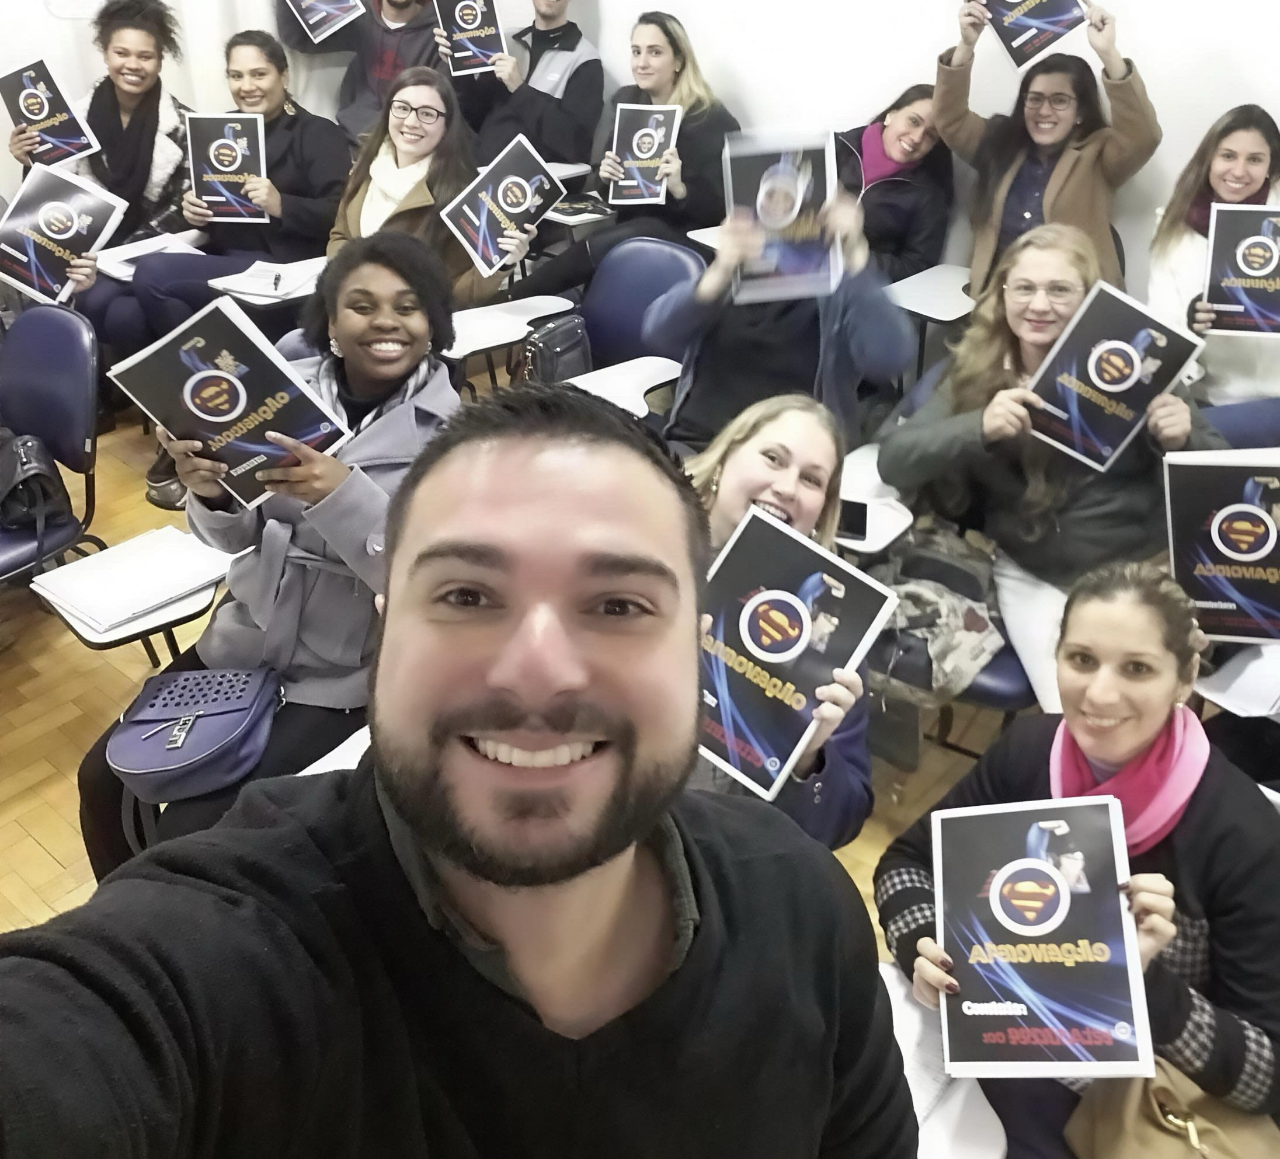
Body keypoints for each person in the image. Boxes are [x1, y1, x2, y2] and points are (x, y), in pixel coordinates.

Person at [11, 383, 918, 1157]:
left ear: (697, 651)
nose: (538, 669)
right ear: (386, 620)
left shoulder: (809, 918)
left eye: (617, 604)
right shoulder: (227, 955)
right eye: (467, 594)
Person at [76, 232, 461, 877]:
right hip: (246, 636)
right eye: (361, 305)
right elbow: (231, 541)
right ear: (331, 322)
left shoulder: (456, 440)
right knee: (102, 779)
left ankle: (173, 919)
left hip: (339, 670)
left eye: (408, 306)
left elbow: (428, 585)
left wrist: (341, 495)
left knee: (192, 833)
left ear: (434, 327)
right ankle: (119, 918)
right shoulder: (273, 394)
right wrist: (210, 492)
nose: (385, 321)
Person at [875, 563, 1280, 1155]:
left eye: (1137, 668)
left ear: (1185, 678)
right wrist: (925, 943)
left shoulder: (1240, 832)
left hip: (1123, 1105)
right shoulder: (1029, 752)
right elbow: (906, 862)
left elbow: (1266, 1075)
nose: (1099, 694)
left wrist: (1142, 984)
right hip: (993, 1038)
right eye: (1082, 660)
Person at [876, 224, 1226, 711]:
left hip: (1141, 570)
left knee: (1153, 706)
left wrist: (1183, 438)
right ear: (1003, 294)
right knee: (1081, 712)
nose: (1039, 305)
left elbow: (1222, 479)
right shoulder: (976, 369)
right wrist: (979, 426)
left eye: (1059, 290)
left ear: (1090, 297)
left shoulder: (1135, 363)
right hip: (1036, 575)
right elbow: (894, 460)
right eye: (1024, 288)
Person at [132, 30, 351, 509]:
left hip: (287, 272)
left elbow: (340, 212)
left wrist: (281, 203)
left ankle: (195, 421)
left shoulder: (317, 133)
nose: (247, 86)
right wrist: (195, 211)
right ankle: (209, 414)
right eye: (236, 75)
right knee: (131, 301)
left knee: (151, 275)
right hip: (231, 263)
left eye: (258, 73)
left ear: (283, 76)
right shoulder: (219, 132)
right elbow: (219, 215)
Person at [683, 394, 872, 848]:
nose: (787, 488)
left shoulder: (830, 623)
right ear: (726, 456)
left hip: (722, 855)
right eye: (773, 458)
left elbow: (840, 824)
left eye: (811, 479)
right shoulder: (641, 553)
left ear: (823, 508)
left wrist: (807, 755)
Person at [8, 0, 190, 427]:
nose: (133, 65)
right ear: (105, 54)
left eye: (145, 56)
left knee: (125, 314)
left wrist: (116, 257)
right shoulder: (69, 120)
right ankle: (106, 401)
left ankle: (158, 413)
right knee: (105, 308)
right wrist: (29, 162)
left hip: (148, 255)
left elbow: (180, 213)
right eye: (121, 53)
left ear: (160, 60)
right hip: (84, 252)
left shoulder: (183, 124)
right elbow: (51, 202)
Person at [644, 194, 914, 452]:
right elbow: (658, 333)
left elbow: (891, 356)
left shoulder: (837, 294)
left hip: (789, 458)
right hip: (700, 446)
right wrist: (719, 272)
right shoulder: (729, 282)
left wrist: (856, 260)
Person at [504, 10, 740, 301]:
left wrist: (681, 190)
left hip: (685, 240)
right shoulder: (629, 103)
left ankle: (515, 297)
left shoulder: (710, 119)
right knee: (621, 234)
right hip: (629, 233)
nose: (642, 63)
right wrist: (606, 178)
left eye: (655, 52)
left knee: (637, 230)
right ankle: (523, 302)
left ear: (679, 60)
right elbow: (615, 198)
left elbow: (722, 211)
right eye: (636, 52)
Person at [935, 0, 1160, 289]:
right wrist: (966, 45)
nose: (1044, 111)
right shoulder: (999, 143)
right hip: (999, 296)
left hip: (1076, 300)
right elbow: (950, 119)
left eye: (1059, 100)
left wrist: (1109, 54)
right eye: (1035, 99)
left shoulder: (1098, 155)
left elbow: (1143, 137)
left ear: (1080, 112)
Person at [327, 66, 533, 307]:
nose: (411, 122)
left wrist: (503, 263)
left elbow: (460, 295)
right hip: (353, 305)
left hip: (412, 319)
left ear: (446, 126)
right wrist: (350, 277)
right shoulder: (366, 166)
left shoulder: (460, 193)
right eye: (402, 108)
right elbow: (340, 235)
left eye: (427, 114)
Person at [1148, 104, 1280, 410]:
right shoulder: (1172, 226)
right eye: (1228, 156)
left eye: (1255, 159)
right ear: (1209, 158)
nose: (1239, 171)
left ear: (1270, 167)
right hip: (1213, 401)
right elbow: (1162, 332)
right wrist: (1192, 327)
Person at [435, 0, 603, 165]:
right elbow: (473, 117)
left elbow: (576, 146)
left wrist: (519, 89)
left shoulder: (585, 60)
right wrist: (457, 64)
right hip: (480, 172)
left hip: (535, 182)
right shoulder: (504, 42)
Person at [274, 0, 442, 149]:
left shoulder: (440, 28)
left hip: (415, 143)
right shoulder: (359, 15)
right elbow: (299, 39)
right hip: (358, 141)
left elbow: (452, 100)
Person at [836, 83, 954, 282]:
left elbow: (918, 268)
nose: (917, 138)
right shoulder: (834, 148)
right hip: (802, 273)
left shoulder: (928, 196)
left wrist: (859, 256)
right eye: (914, 121)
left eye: (930, 135)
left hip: (863, 289)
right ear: (891, 115)